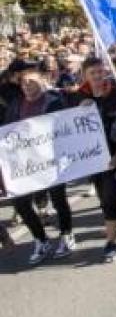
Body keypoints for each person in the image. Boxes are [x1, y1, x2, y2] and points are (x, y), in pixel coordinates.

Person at [2, 65, 75, 264]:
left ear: (42, 80)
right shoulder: (15, 105)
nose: (26, 85)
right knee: (21, 203)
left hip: (53, 160)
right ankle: (41, 240)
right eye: (23, 82)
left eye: (31, 81)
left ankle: (66, 235)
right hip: (26, 164)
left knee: (58, 199)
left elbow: (72, 123)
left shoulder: (57, 100)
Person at [73, 57, 116, 262]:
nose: (98, 76)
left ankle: (111, 244)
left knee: (110, 199)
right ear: (85, 76)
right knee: (108, 199)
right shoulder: (77, 96)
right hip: (92, 159)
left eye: (101, 72)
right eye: (93, 73)